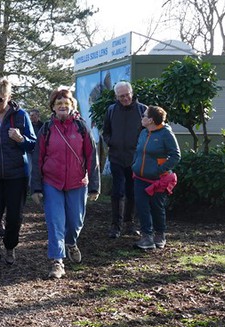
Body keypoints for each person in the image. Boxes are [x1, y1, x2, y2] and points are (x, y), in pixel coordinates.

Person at [30, 88, 100, 279]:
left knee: (76, 222)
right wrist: (36, 187)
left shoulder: (81, 127)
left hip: (78, 183)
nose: (62, 106)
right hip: (52, 183)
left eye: (66, 103)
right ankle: (57, 261)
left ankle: (71, 242)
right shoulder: (46, 129)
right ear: (53, 107)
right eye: (58, 103)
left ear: (72, 106)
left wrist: (94, 186)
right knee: (55, 222)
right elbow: (37, 158)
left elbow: (92, 157)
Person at [0, 77, 37, 276]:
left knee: (14, 218)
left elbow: (33, 143)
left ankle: (10, 245)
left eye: (0, 99)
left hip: (16, 174)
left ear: (9, 97)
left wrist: (21, 139)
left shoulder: (21, 116)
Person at [132, 105, 181, 250]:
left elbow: (175, 155)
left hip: (158, 180)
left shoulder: (166, 134)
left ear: (151, 120)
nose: (142, 118)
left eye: (144, 116)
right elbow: (138, 151)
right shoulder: (143, 133)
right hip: (140, 178)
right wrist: (135, 164)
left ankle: (160, 234)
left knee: (156, 207)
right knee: (142, 207)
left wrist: (159, 170)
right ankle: (147, 237)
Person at [103, 81, 147, 239]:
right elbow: (106, 131)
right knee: (117, 192)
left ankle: (130, 223)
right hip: (116, 158)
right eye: (121, 96)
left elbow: (149, 133)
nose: (125, 98)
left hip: (136, 159)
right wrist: (110, 142)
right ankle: (116, 226)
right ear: (116, 96)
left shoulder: (143, 110)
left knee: (132, 192)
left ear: (132, 93)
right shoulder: (111, 110)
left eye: (127, 95)